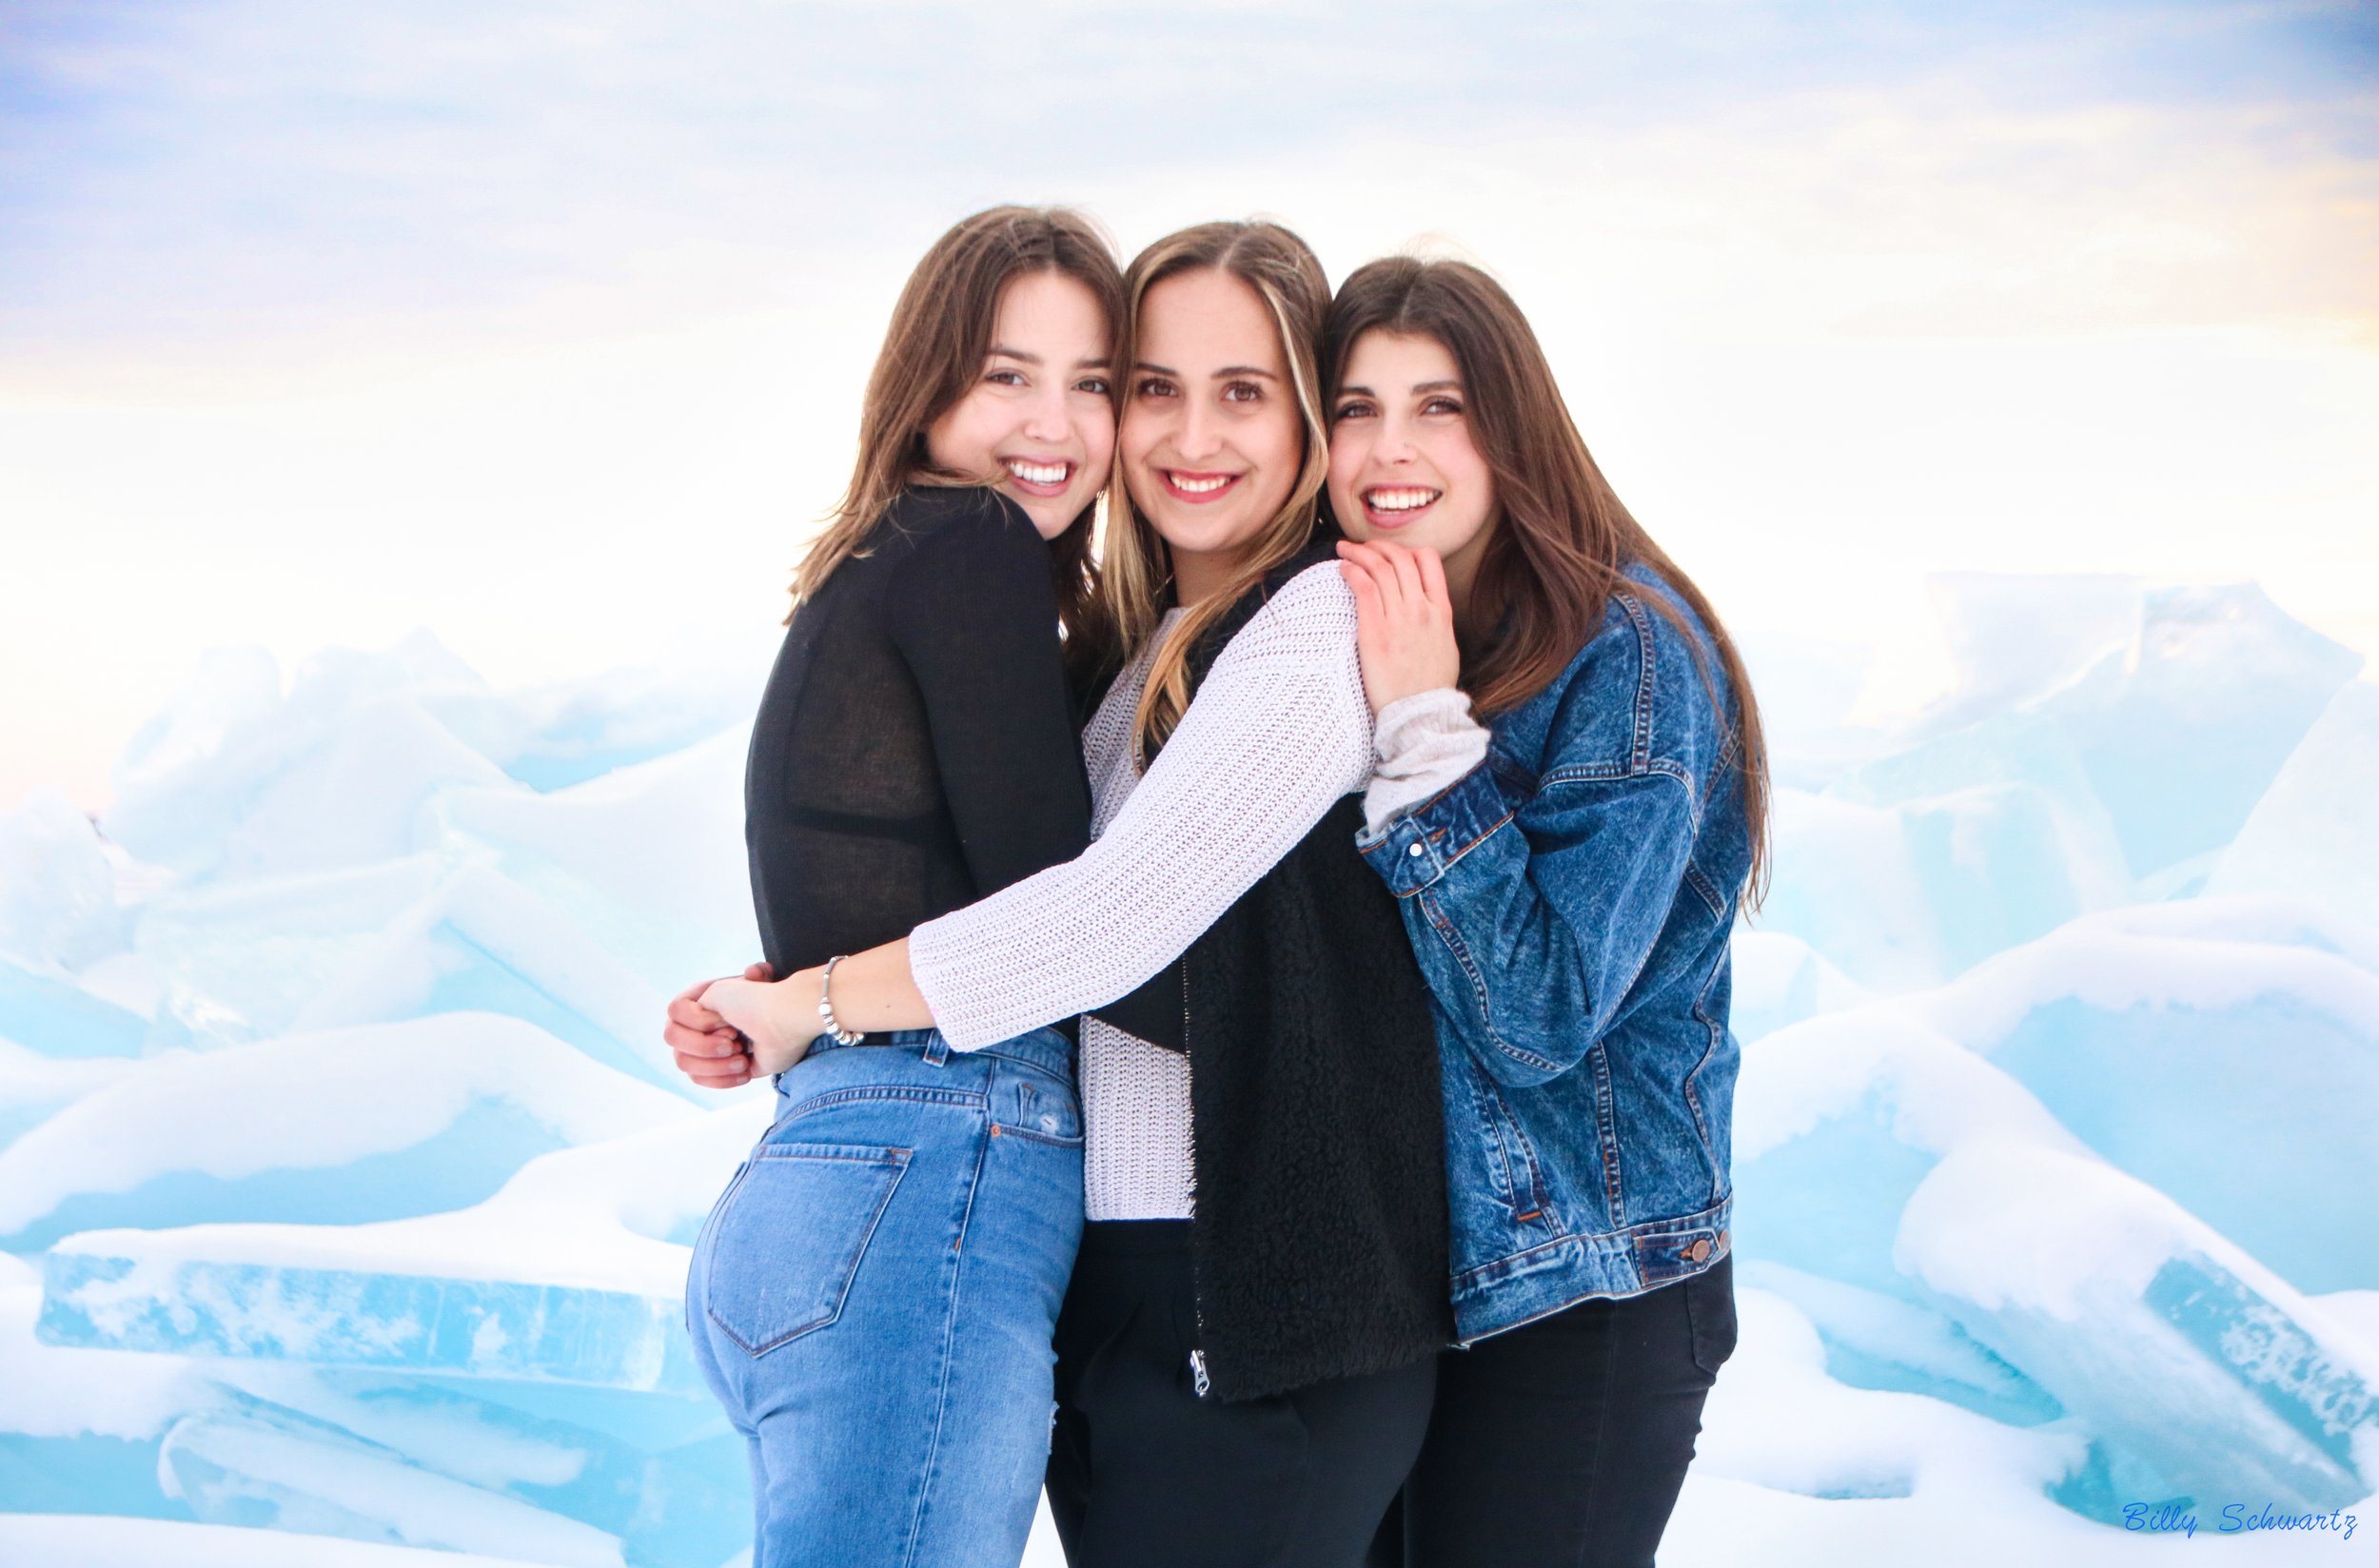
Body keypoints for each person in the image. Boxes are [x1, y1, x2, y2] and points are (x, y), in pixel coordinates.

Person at [696, 221, 1473, 1568]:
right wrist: (817, 997)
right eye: (1154, 388)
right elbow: (999, 889)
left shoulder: (1305, 627)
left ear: (1308, 420)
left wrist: (821, 1003)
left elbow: (1102, 926)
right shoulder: (1137, 658)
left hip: (1251, 1296)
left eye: (1243, 392)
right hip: (1123, 1283)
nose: (1188, 435)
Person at [666, 204, 1122, 1568]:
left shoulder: (882, 568)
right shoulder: (972, 543)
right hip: (938, 1174)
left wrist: (796, 1002)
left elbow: (883, 871)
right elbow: (1068, 916)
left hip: (830, 1178)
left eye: (1092, 382)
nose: (1055, 421)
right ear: (924, 385)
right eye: (1005, 374)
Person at [1325, 256, 1769, 1568]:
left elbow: (1538, 1014)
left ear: (1512, 426)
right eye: (1355, 407)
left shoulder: (1626, 653)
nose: (1390, 449)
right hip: (1420, 1284)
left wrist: (1422, 728)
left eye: (1439, 407)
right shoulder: (1352, 626)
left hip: (1593, 1287)